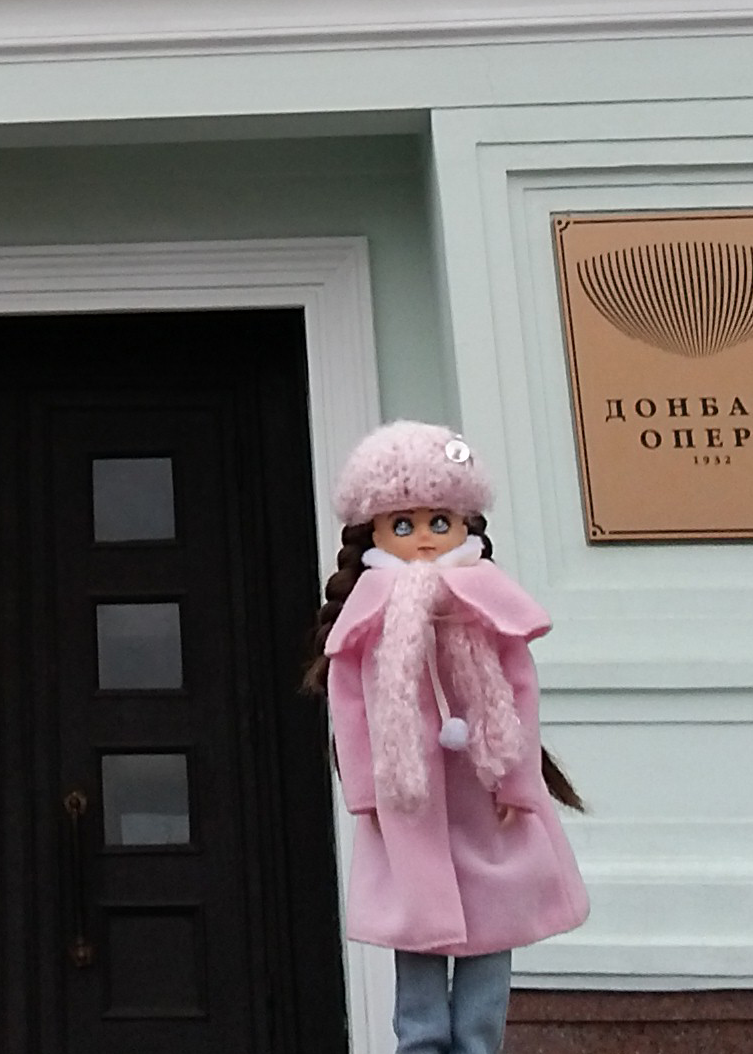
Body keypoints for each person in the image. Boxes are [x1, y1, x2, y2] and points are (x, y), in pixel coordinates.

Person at [306, 420, 589, 1054]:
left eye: (440, 521)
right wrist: (367, 794)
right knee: (419, 929)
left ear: (467, 524)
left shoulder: (488, 604)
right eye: (403, 525)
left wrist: (517, 782)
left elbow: (519, 694)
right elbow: (350, 707)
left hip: (485, 798)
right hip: (409, 803)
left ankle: (479, 1044)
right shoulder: (370, 613)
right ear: (374, 532)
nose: (426, 538)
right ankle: (422, 1043)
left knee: (495, 924)